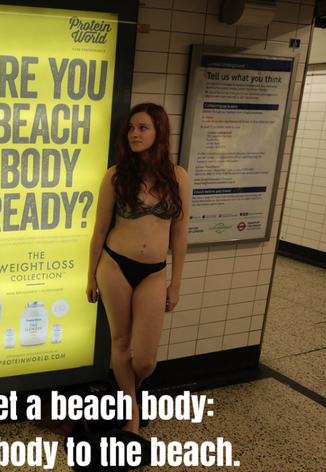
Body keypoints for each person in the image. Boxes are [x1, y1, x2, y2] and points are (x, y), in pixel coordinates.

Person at [86, 103, 190, 434]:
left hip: (154, 272)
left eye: (143, 128)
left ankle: (129, 390)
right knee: (120, 342)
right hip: (114, 265)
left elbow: (180, 234)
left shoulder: (178, 177)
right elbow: (99, 230)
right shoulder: (116, 176)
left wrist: (175, 284)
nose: (134, 134)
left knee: (145, 359)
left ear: (160, 132)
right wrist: (90, 276)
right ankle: (131, 414)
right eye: (131, 128)